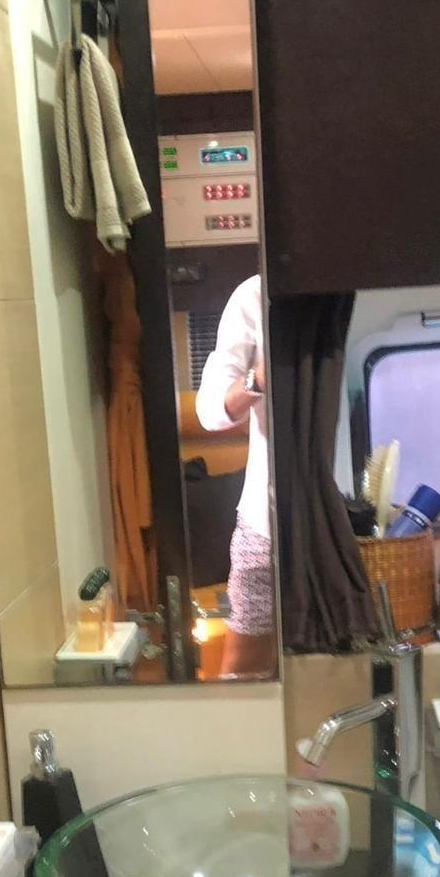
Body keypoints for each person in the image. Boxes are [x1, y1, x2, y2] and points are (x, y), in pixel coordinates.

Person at [194, 274, 275, 677]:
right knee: (243, 679)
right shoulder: (253, 295)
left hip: (345, 523)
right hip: (264, 526)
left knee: (334, 672)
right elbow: (209, 411)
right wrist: (258, 380)